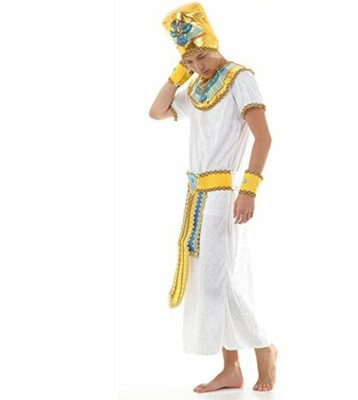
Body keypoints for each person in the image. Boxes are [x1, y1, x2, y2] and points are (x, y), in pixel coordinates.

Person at [149, 2, 278, 393]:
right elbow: (156, 111)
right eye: (189, 62)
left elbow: (263, 137)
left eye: (201, 57)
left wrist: (249, 189)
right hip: (197, 198)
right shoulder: (196, 88)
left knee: (221, 282)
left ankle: (264, 348)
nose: (198, 67)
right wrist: (178, 73)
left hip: (223, 194)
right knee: (208, 283)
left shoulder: (239, 78)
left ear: (213, 43)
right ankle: (231, 368)